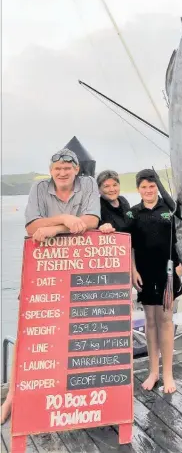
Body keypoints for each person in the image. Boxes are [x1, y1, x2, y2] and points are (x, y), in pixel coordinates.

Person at [1, 148, 100, 424]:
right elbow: (32, 227)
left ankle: (73, 397)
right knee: (27, 335)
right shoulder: (39, 189)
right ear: (51, 170)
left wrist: (55, 229)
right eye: (57, 168)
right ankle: (11, 398)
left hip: (79, 272)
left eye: (67, 168)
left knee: (79, 335)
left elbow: (92, 220)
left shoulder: (89, 185)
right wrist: (66, 219)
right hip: (42, 273)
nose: (62, 172)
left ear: (77, 169)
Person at [125, 169, 182, 394]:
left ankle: (168, 373)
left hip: (169, 274)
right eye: (144, 187)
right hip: (145, 274)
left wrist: (181, 269)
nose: (148, 190)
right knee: (150, 321)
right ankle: (153, 372)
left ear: (157, 187)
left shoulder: (170, 209)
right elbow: (127, 243)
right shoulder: (133, 213)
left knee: (166, 320)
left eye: (152, 186)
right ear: (138, 189)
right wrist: (132, 270)